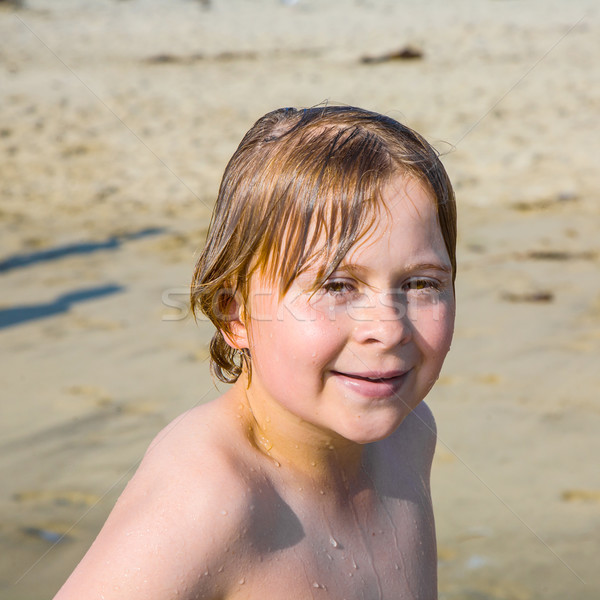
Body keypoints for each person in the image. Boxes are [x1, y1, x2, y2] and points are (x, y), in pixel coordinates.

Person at [54, 105, 456, 599]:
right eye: (336, 286)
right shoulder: (209, 498)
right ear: (235, 315)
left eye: (421, 283)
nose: (389, 329)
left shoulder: (410, 437)